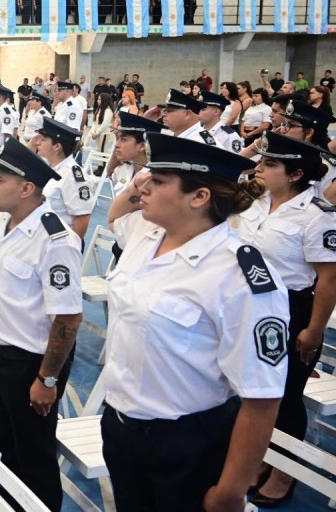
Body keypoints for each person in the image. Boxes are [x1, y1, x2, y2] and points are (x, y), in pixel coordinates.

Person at [104, 133, 288, 512]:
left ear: (199, 196)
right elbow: (114, 216)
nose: (144, 188)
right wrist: (142, 180)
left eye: (157, 182)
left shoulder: (241, 275)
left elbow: (262, 397)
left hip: (186, 442)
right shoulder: (145, 233)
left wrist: (231, 490)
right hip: (121, 427)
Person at [0, 137, 83, 510]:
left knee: (34, 456)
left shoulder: (55, 241)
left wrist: (47, 379)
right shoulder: (7, 221)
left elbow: (68, 318)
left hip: (31, 365)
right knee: (9, 446)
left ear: (26, 188)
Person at [236, 132, 336, 507]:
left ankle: (284, 471)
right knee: (254, 391)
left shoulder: (316, 217)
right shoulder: (256, 203)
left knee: (285, 396)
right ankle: (262, 456)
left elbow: (328, 280)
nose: (259, 168)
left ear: (294, 175)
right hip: (247, 305)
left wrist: (314, 330)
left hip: (290, 311)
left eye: (270, 164)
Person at [32, 118, 96, 241]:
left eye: (43, 140)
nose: (38, 143)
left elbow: (82, 218)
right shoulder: (48, 167)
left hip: (59, 245)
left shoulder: (73, 176)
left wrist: (70, 250)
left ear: (57, 147)